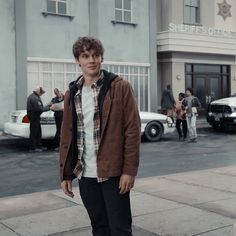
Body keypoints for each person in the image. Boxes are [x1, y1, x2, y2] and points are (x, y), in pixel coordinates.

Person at [59, 36, 141, 236]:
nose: (91, 60)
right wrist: (66, 173)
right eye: (85, 56)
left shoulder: (120, 87)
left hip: (112, 173)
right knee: (99, 228)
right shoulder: (72, 92)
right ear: (77, 60)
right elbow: (67, 136)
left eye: (96, 55)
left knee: (120, 229)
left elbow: (132, 130)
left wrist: (129, 171)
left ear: (102, 58)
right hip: (85, 174)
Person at [26, 86, 50, 152]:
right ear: (38, 92)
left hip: (34, 116)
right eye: (41, 93)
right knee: (34, 132)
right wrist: (49, 108)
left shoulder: (32, 96)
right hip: (34, 117)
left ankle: (38, 146)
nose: (42, 94)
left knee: (38, 132)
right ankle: (33, 147)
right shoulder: (35, 98)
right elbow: (39, 108)